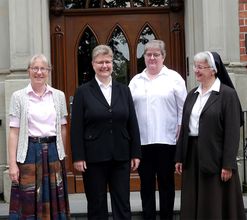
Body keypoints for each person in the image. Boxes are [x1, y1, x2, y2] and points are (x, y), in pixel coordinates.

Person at [70, 44, 141, 220]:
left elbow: (132, 122)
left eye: (108, 61)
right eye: (100, 62)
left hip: (121, 155)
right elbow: (76, 127)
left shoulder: (124, 90)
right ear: (93, 64)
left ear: (112, 63)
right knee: (96, 203)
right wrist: (78, 156)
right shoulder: (83, 92)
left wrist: (136, 153)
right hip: (93, 157)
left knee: (123, 202)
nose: (105, 66)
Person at [175, 51, 245, 219]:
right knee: (193, 200)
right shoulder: (192, 94)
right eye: (195, 67)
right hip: (192, 155)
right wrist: (179, 157)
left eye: (201, 67)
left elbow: (233, 131)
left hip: (216, 157)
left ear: (213, 70)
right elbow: (185, 127)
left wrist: (228, 164)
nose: (196, 70)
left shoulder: (227, 95)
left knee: (214, 201)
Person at [129, 39, 187, 220]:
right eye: (148, 54)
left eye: (156, 54)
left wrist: (180, 127)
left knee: (166, 185)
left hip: (166, 140)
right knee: (146, 185)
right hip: (143, 142)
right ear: (144, 57)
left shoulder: (174, 78)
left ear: (163, 56)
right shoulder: (136, 81)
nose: (152, 58)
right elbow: (129, 111)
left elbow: (184, 108)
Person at [8, 54, 70, 219]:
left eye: (43, 68)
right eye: (35, 68)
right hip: (28, 153)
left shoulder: (59, 96)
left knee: (54, 200)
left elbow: (63, 129)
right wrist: (12, 164)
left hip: (53, 153)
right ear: (29, 71)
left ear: (49, 71)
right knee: (28, 202)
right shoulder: (18, 97)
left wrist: (61, 155)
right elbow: (14, 132)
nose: (39, 72)